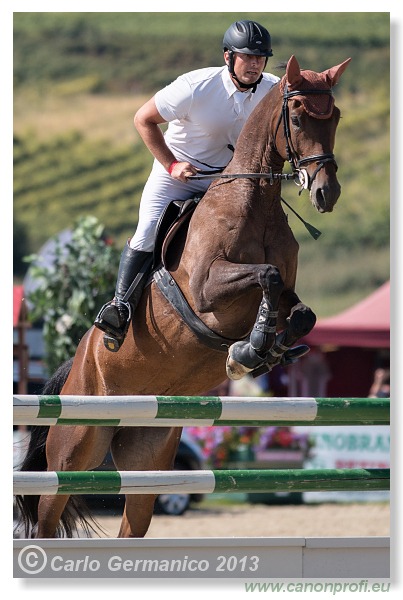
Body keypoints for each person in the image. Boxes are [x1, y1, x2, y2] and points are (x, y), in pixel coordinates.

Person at [95, 19, 280, 352]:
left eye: (260, 58)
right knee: (147, 231)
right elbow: (143, 119)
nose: (255, 64)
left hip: (229, 183)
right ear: (228, 57)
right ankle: (119, 307)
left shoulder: (271, 89)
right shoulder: (195, 86)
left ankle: (271, 322)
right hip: (179, 178)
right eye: (247, 57)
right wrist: (172, 164)